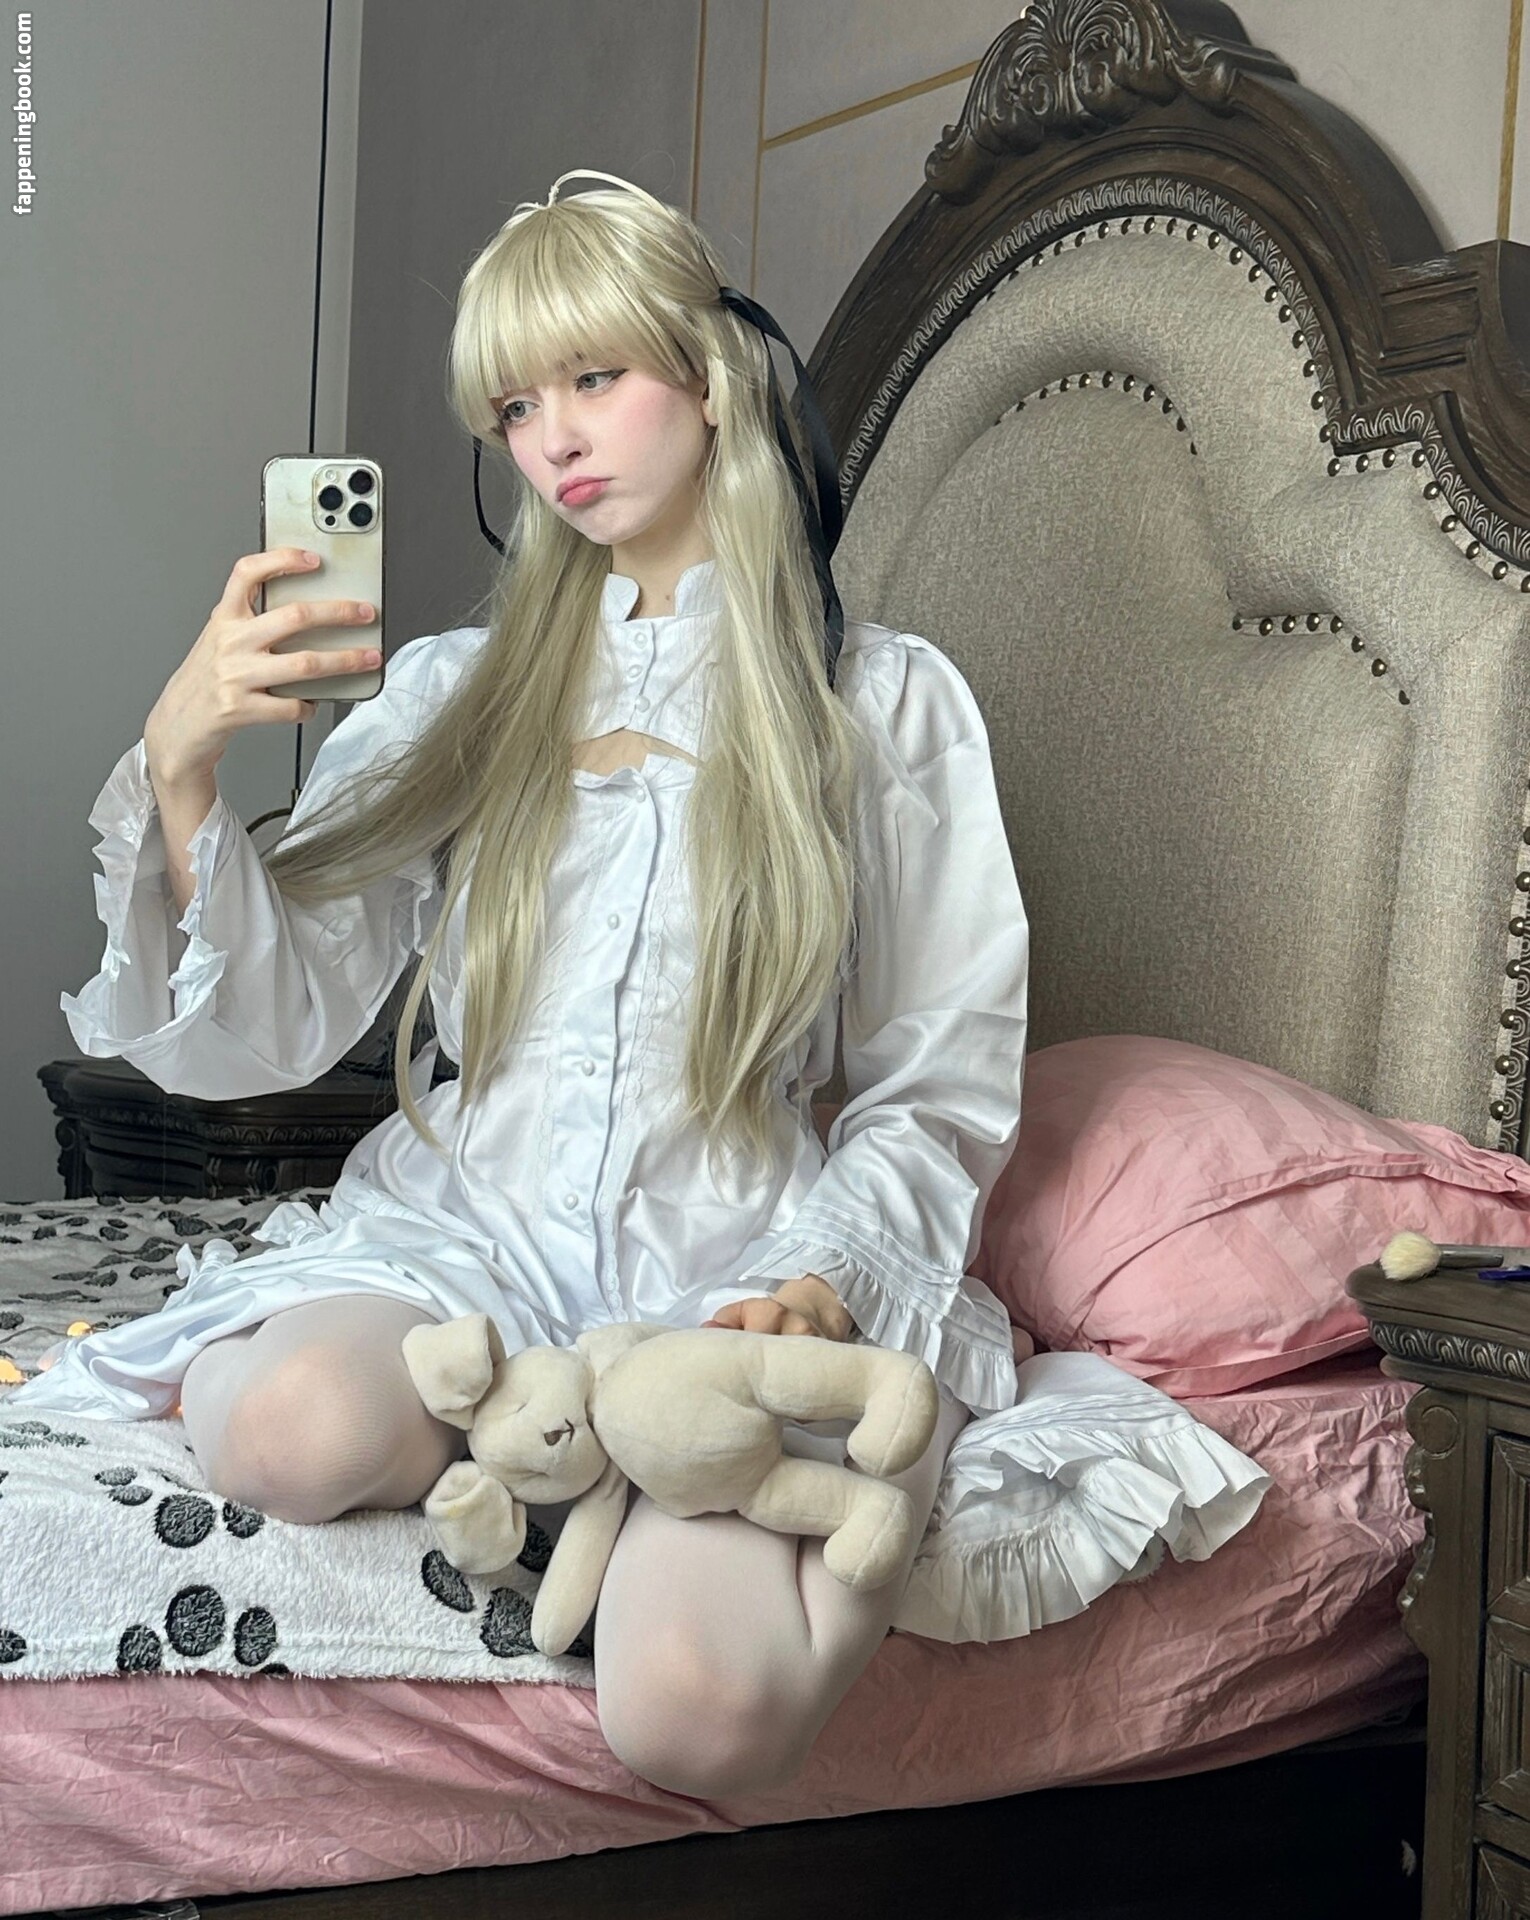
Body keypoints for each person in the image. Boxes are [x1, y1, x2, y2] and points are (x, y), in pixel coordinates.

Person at [14, 171, 1028, 1794]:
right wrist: (184, 771)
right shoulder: (456, 691)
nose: (552, 440)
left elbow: (934, 1080)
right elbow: (272, 1026)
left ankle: (682, 1463)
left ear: (710, 375)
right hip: (464, 1236)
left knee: (695, 1714)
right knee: (290, 1434)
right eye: (512, 407)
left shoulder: (880, 702)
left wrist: (824, 1283)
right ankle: (520, 1434)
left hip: (728, 1266)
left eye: (592, 379)